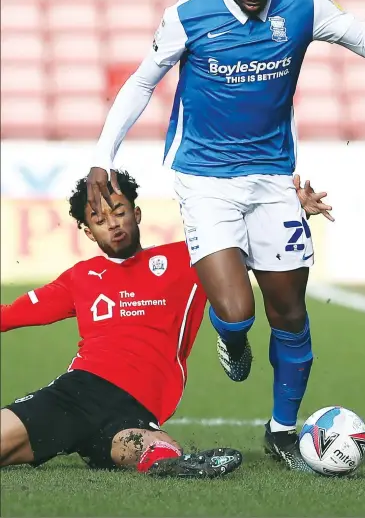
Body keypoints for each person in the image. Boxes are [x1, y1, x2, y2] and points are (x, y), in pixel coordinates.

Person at [85, 0, 365, 472]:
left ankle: (281, 430)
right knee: (235, 311)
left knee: (290, 311)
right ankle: (232, 339)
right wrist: (102, 156)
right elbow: (143, 81)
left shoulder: (302, 3)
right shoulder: (190, 13)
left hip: (274, 179)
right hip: (204, 179)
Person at [0, 171, 243, 478]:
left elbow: (242, 238)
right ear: (89, 233)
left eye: (119, 212)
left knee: (151, 448)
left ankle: (171, 459)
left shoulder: (189, 259)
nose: (113, 224)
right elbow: (8, 315)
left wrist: (294, 208)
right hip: (77, 394)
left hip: (134, 411)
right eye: (99, 221)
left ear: (136, 213)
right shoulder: (81, 277)